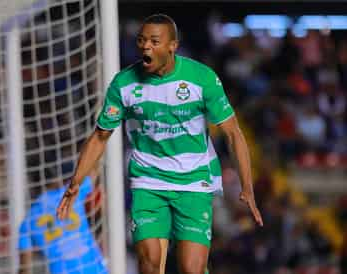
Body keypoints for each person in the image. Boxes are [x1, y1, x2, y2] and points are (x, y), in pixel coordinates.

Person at [57, 14, 263, 274]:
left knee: (191, 268)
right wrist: (76, 181)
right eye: (142, 40)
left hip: (194, 179)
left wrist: (247, 186)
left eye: (154, 41)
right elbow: (100, 136)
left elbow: (233, 133)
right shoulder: (124, 84)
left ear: (172, 46)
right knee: (150, 261)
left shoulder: (201, 78)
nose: (146, 46)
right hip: (148, 180)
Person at [18, 166, 108, 274]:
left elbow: (25, 268)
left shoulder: (27, 221)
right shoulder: (70, 194)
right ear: (56, 177)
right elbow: (93, 170)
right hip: (93, 269)